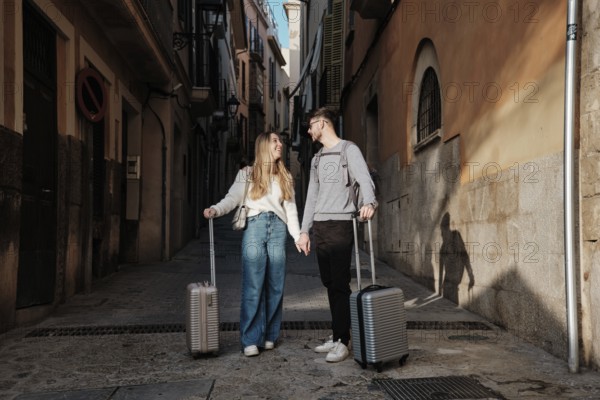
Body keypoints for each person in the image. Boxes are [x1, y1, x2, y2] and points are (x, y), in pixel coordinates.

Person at [203, 132, 306, 357]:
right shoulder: (247, 174)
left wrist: (298, 236)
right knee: (253, 285)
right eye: (275, 141)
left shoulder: (285, 176)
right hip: (255, 227)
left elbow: (290, 210)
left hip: (278, 229)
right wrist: (215, 210)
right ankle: (250, 338)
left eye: (280, 141)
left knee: (276, 285)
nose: (280, 144)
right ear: (263, 146)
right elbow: (232, 199)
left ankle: (269, 334)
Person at [296, 107, 377, 363]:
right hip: (320, 226)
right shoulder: (317, 159)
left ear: (322, 123)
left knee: (340, 284)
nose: (309, 131)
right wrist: (304, 230)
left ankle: (343, 341)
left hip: (341, 224)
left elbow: (365, 179)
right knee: (329, 283)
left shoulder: (348, 150)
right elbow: (311, 197)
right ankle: (338, 334)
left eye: (311, 126)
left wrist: (370, 203)